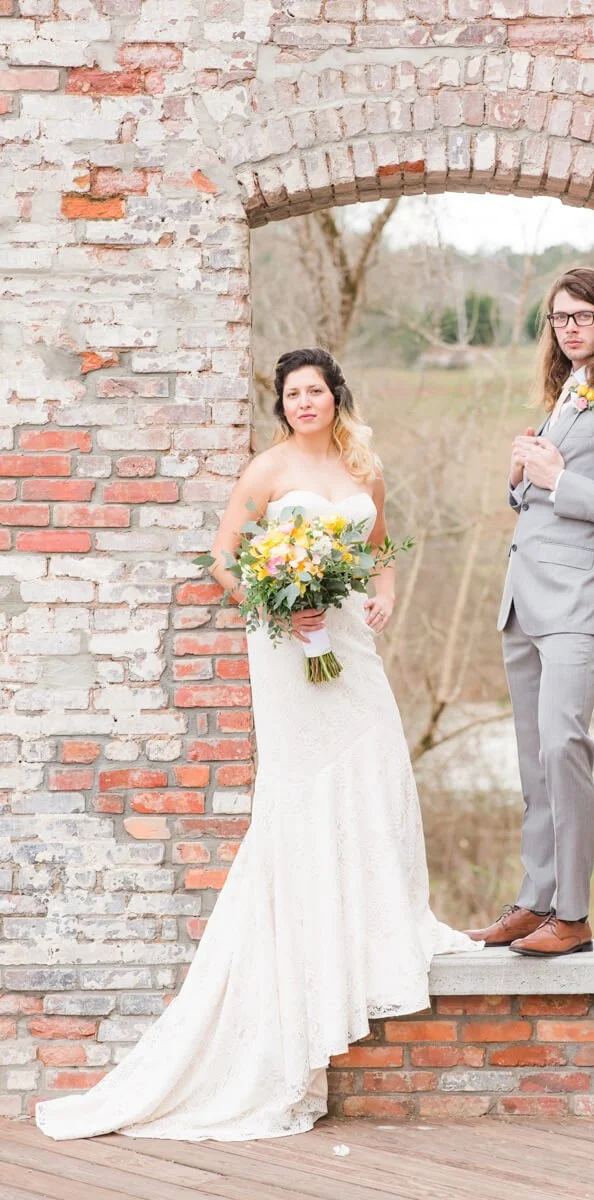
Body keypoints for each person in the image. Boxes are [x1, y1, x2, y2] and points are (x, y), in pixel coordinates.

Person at [35, 347, 482, 1142]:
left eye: (315, 390)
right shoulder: (267, 470)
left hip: (349, 643)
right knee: (302, 786)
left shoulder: (363, 469)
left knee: (378, 758)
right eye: (292, 393)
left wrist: (383, 593)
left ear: (335, 397)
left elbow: (381, 550)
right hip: (287, 646)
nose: (303, 402)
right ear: (283, 405)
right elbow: (222, 557)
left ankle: (376, 914)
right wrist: (274, 606)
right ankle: (306, 935)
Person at [465, 267, 594, 958]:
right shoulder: (569, 392)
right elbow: (545, 497)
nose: (569, 327)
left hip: (580, 602)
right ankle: (535, 900)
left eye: (582, 315)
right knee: (533, 760)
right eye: (558, 317)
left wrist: (558, 477)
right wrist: (520, 480)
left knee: (562, 747)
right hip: (524, 599)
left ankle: (573, 916)